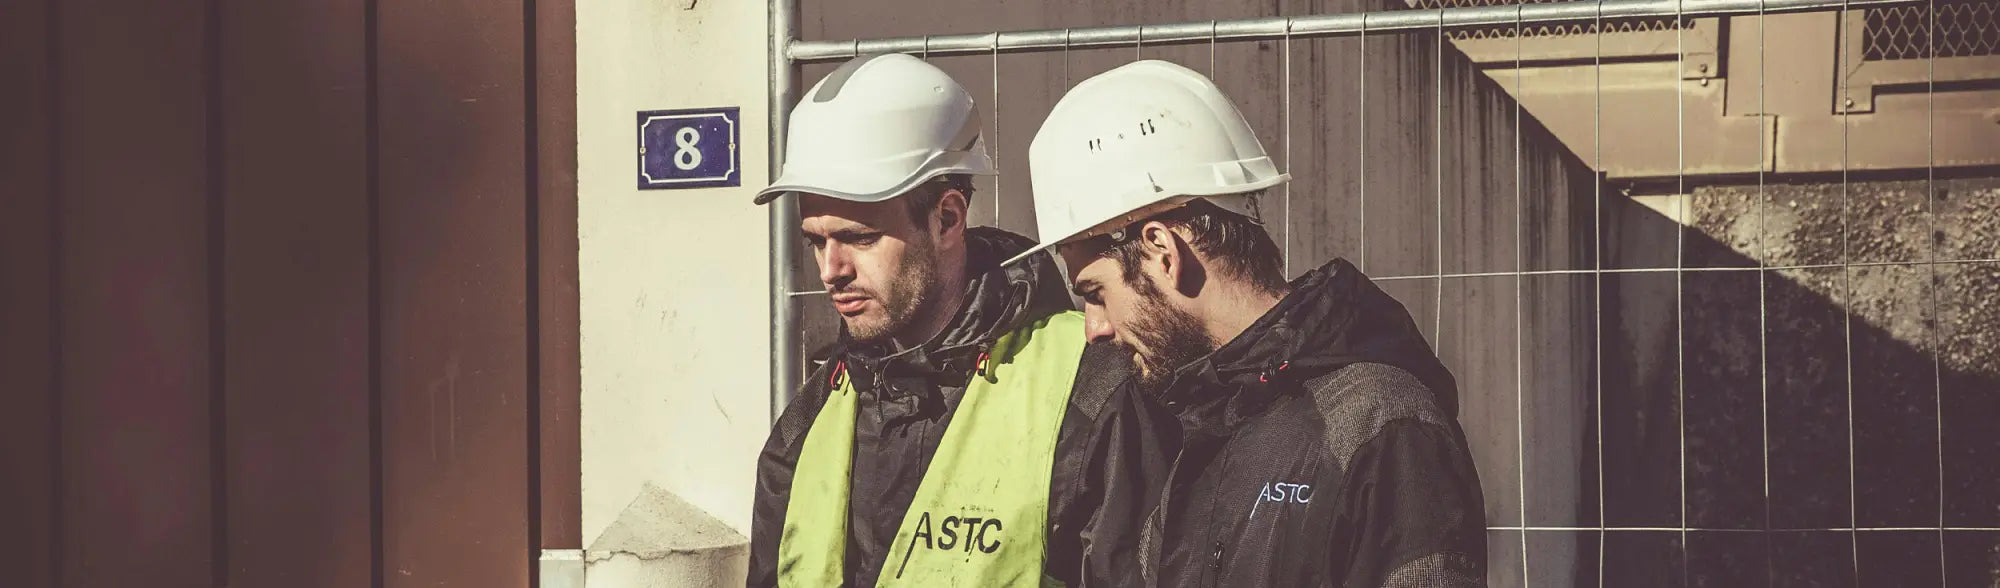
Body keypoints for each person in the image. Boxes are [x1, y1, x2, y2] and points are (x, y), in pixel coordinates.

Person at [1010, 59, 1488, 587]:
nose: (1094, 328)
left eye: (1096, 294)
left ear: (1162, 252)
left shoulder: (1384, 427)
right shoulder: (1186, 416)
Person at [746, 53, 1138, 587]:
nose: (831, 271)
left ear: (947, 218)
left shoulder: (1089, 385)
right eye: (816, 241)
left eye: (860, 238)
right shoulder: (817, 412)